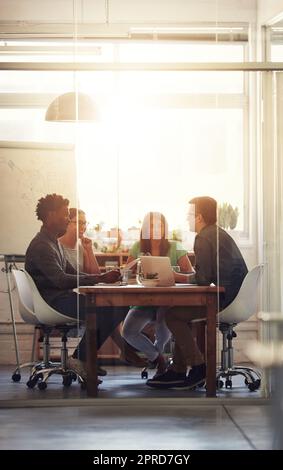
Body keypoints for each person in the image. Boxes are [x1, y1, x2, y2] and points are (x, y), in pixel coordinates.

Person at [146, 196, 248, 389]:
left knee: (173, 315)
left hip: (225, 300)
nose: (187, 219)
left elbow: (202, 279)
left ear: (199, 217)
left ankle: (198, 367)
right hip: (236, 298)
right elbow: (206, 275)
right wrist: (184, 276)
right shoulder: (217, 233)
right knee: (179, 313)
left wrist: (176, 276)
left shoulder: (203, 237)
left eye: (189, 215)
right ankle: (177, 370)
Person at [25, 194, 127, 384]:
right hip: (53, 304)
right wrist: (99, 278)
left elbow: (75, 273)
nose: (67, 219)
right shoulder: (42, 245)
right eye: (64, 216)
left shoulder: (54, 243)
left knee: (117, 305)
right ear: (50, 215)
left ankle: (83, 358)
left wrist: (101, 278)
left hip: (60, 299)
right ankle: (81, 359)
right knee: (114, 307)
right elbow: (61, 280)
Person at [59, 207, 146, 370]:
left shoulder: (80, 246)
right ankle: (89, 358)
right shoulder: (57, 247)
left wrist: (89, 250)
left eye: (85, 223)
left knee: (110, 309)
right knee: (108, 310)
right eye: (78, 222)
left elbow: (95, 275)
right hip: (66, 297)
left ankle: (89, 359)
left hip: (82, 294)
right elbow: (67, 279)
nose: (83, 227)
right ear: (66, 223)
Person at [122, 211, 193, 375]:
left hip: (168, 303)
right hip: (144, 302)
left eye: (159, 225)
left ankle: (160, 364)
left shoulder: (175, 247)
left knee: (163, 324)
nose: (155, 229)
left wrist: (175, 277)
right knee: (128, 331)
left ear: (164, 228)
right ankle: (159, 358)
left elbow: (191, 275)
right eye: (151, 225)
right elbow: (127, 273)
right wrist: (134, 270)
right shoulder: (137, 248)